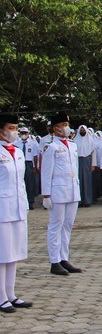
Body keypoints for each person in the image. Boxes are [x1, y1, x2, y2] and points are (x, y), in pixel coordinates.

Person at [40, 112, 82, 276]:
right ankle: (54, 261)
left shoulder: (72, 145)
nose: (66, 128)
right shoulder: (50, 147)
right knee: (55, 226)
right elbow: (46, 171)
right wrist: (46, 195)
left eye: (67, 124)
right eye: (63, 125)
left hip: (72, 189)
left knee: (67, 225)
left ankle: (64, 258)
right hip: (57, 190)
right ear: (55, 129)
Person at [0, 113, 33, 312]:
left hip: (18, 206)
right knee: (2, 253)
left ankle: (11, 293)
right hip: (2, 208)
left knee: (14, 253)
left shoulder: (18, 152)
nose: (14, 131)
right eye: (10, 128)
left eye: (15, 127)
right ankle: (1, 296)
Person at [74, 125, 96, 208]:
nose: (82, 131)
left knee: (87, 180)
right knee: (78, 180)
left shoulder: (91, 140)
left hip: (87, 160)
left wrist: (93, 164)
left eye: (83, 129)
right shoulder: (75, 140)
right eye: (81, 129)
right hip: (78, 161)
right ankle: (79, 201)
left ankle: (87, 201)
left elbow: (93, 153)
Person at [18, 127, 39, 209]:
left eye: (25, 133)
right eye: (22, 133)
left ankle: (30, 202)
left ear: (28, 134)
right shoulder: (16, 144)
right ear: (20, 134)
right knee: (21, 183)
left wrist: (35, 166)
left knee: (30, 184)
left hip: (29, 163)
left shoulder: (32, 143)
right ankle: (21, 202)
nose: (23, 135)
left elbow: (35, 156)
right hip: (20, 163)